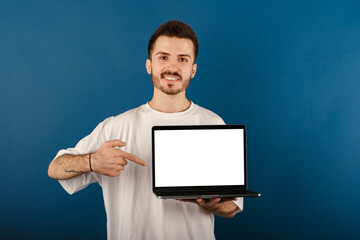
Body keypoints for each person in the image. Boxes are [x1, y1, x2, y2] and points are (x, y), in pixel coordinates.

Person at [48, 19, 243, 240]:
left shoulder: (213, 124)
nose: (172, 67)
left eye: (182, 59)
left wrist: (214, 204)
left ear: (193, 70)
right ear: (149, 65)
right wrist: (92, 161)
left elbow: (233, 208)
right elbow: (55, 168)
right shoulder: (116, 127)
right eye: (163, 57)